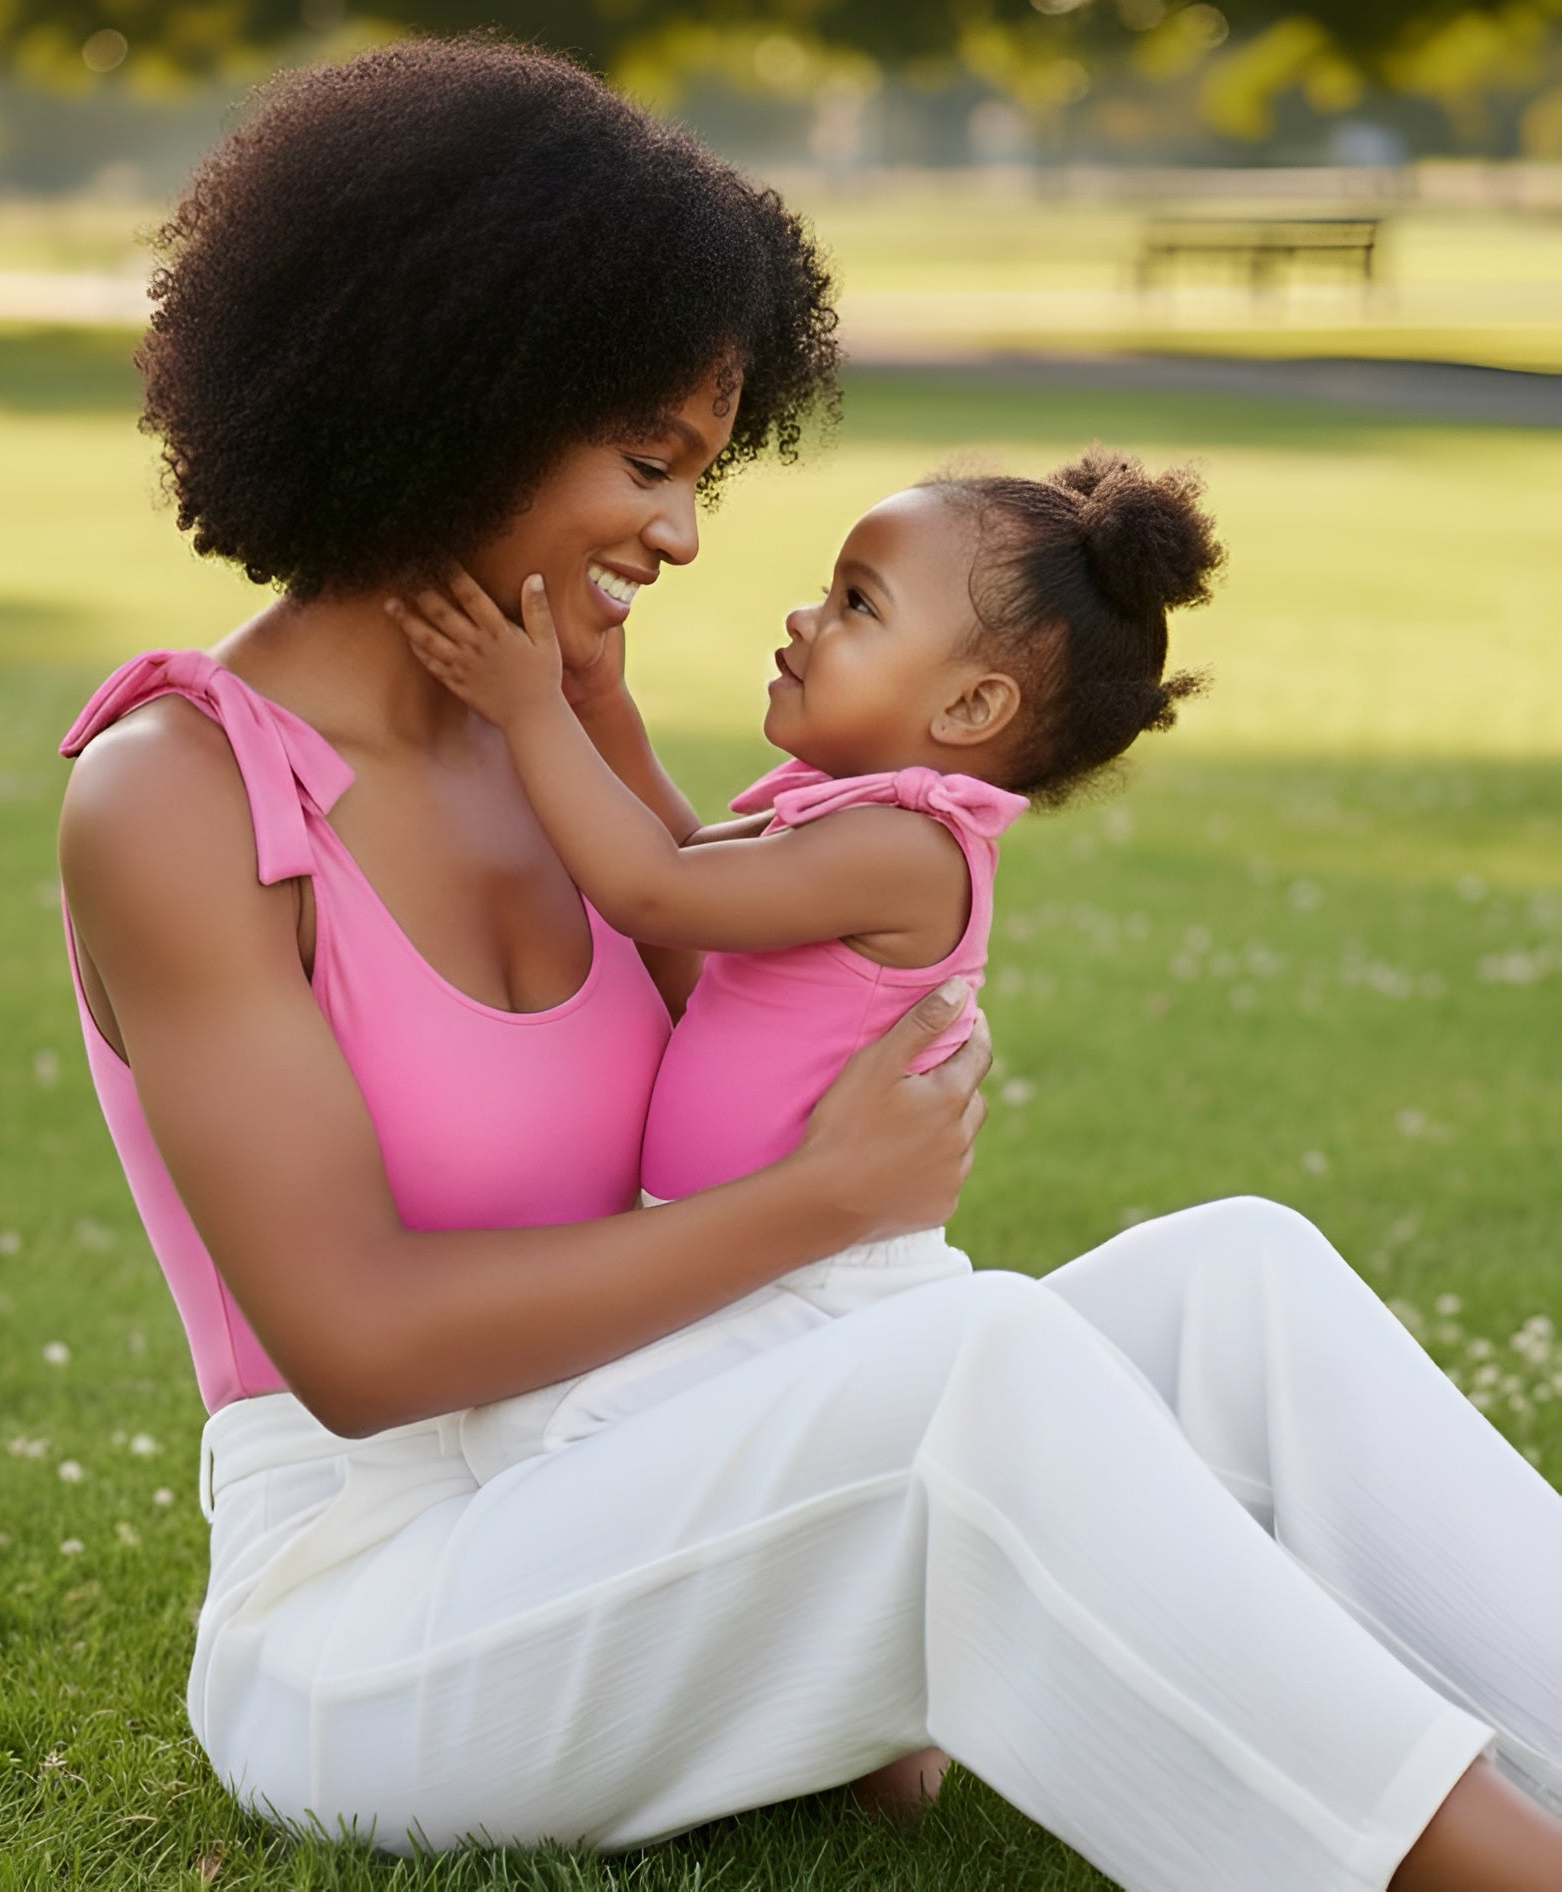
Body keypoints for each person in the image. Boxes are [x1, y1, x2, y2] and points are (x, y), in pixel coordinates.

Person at [54, 35, 1562, 1892]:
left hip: (634, 1464)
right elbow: (359, 1351)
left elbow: (731, 1001)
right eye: (647, 462)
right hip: (379, 1608)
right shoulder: (178, 797)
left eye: (701, 470)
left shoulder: (539, 747)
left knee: (1233, 1279)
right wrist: (822, 1207)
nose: (684, 534)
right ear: (462, 390)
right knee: (972, 1362)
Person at [391, 451, 1220, 1480]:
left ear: (969, 708)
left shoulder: (910, 852)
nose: (802, 617)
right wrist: (598, 701)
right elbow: (689, 866)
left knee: (527, 1438)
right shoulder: (846, 806)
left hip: (819, 1285)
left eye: (856, 605)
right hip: (760, 1257)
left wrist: (531, 713)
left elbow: (649, 893)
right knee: (526, 1423)